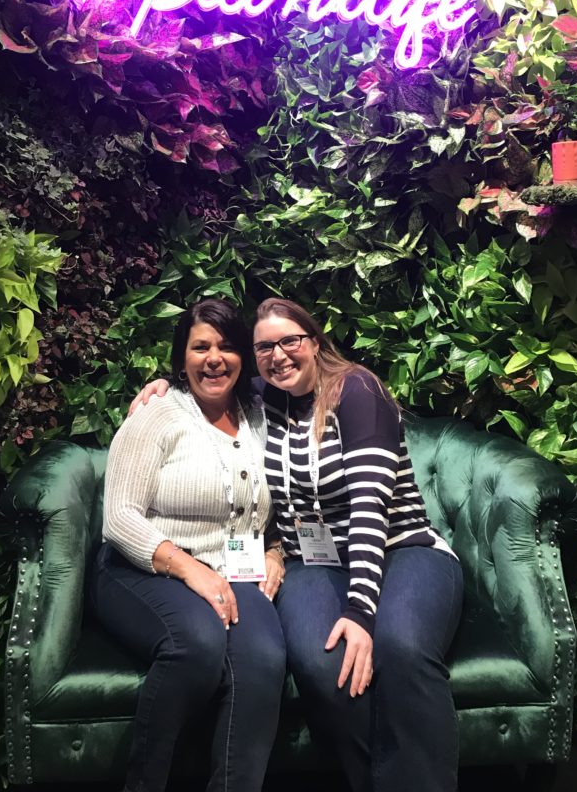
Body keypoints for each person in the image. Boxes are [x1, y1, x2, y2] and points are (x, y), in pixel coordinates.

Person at [135, 296, 463, 792]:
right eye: (264, 347)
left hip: (401, 548)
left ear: (314, 342)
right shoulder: (264, 399)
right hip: (313, 561)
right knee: (320, 660)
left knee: (401, 646)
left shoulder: (356, 391)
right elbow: (207, 377)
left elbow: (368, 511)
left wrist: (360, 612)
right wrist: (164, 385)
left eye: (290, 341)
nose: (278, 355)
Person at [92, 298, 287, 792]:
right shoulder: (156, 413)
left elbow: (286, 498)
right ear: (181, 359)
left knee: (262, 660)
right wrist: (189, 568)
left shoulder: (261, 414)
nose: (214, 358)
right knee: (195, 644)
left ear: (244, 357)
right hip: (141, 566)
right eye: (200, 347)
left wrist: (274, 552)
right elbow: (118, 518)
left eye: (226, 346)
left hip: (235, 569)